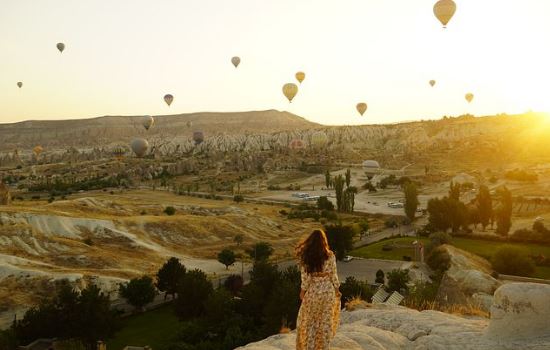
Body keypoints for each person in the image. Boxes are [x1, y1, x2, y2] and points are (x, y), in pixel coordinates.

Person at [295, 229, 341, 350]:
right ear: (323, 241)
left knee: (310, 321)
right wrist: (337, 289)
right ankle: (323, 347)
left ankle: (310, 346)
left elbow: (305, 278)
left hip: (314, 292)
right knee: (325, 322)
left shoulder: (306, 256)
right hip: (328, 292)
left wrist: (302, 291)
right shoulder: (330, 255)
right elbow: (333, 274)